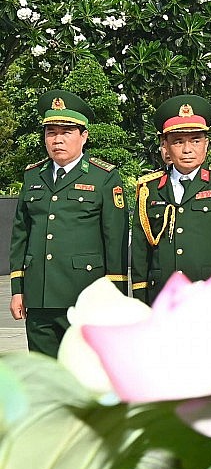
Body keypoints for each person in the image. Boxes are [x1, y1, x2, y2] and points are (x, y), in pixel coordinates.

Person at [8, 90, 129, 357]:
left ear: (84, 136)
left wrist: (114, 297)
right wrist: (18, 289)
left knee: (83, 374)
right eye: (51, 132)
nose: (58, 140)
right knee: (44, 376)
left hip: (83, 295)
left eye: (66, 132)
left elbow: (115, 239)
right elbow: (21, 233)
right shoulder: (32, 176)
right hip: (39, 295)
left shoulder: (104, 177)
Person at [130, 95, 211, 303]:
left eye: (195, 140)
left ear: (206, 144)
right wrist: (140, 299)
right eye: (178, 142)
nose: (187, 149)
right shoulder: (150, 188)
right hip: (163, 297)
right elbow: (141, 253)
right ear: (164, 145)